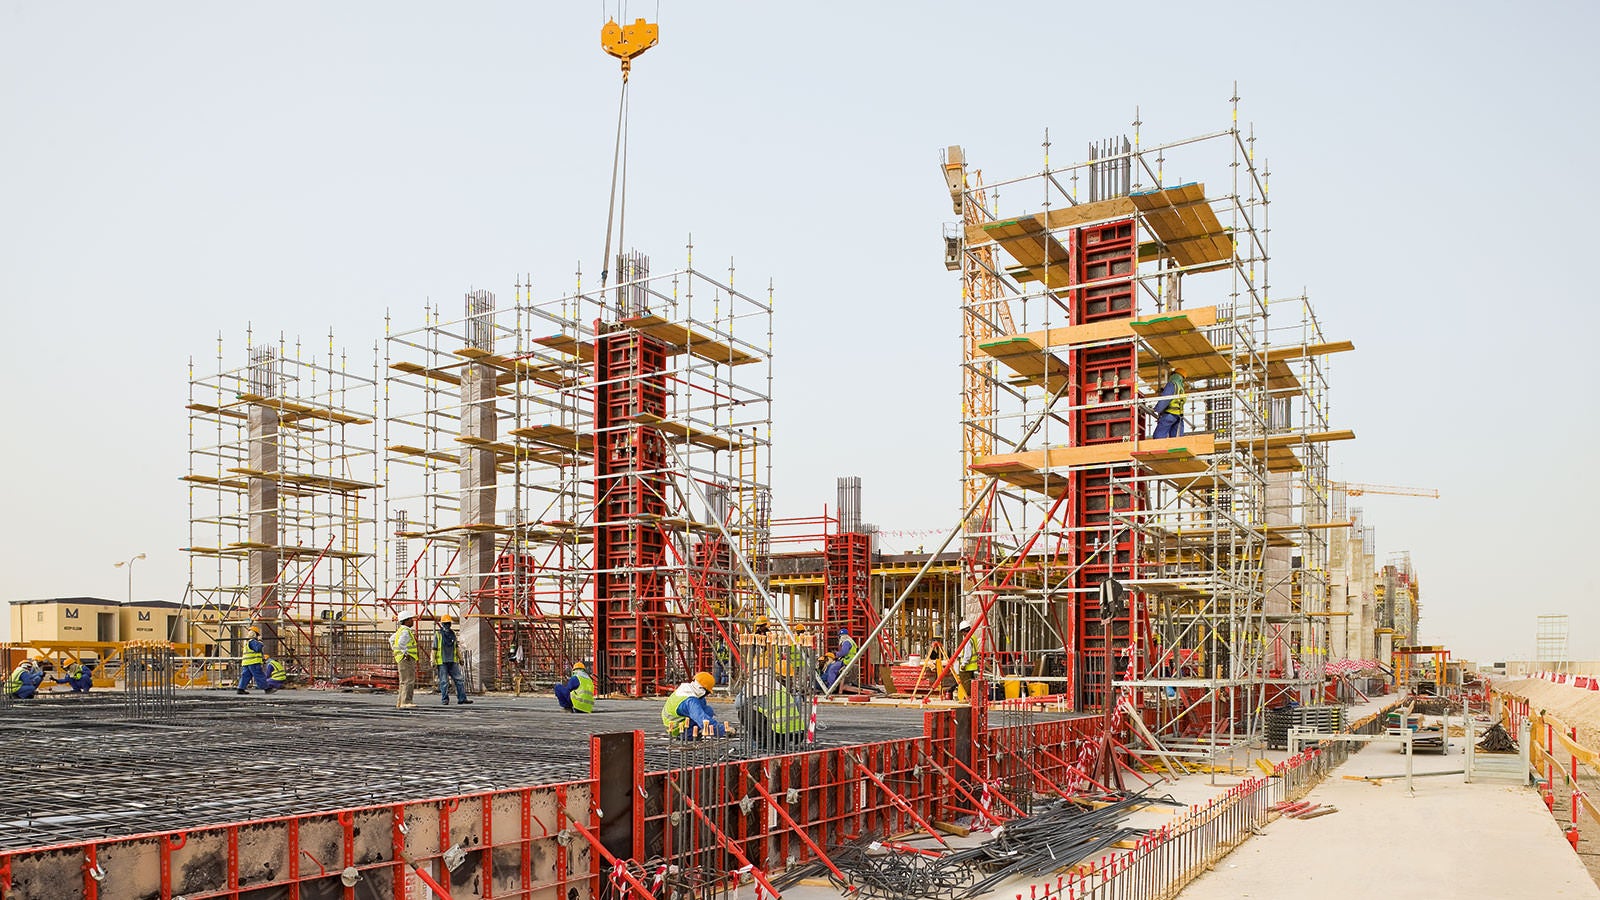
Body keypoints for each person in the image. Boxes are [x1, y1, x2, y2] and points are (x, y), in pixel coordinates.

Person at [662, 671, 733, 739]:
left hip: (676, 722)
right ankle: (686, 735)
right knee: (706, 715)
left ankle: (690, 732)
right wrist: (724, 730)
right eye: (707, 693)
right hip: (676, 728)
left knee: (708, 710)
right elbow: (703, 720)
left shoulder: (687, 689)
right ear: (702, 689)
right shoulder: (691, 701)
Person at [433, 615, 472, 706]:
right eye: (446, 623)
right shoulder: (438, 635)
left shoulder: (452, 634)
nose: (447, 625)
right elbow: (434, 649)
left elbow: (456, 647)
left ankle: (462, 698)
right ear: (442, 624)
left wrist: (460, 658)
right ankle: (445, 699)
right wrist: (433, 660)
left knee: (459, 680)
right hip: (442, 662)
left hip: (452, 661)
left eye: (448, 623)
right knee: (444, 681)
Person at [391, 614, 419, 709]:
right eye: (411, 619)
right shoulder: (406, 631)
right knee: (409, 680)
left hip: (401, 658)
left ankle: (400, 702)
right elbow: (400, 643)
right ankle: (406, 702)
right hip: (406, 658)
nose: (412, 621)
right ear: (406, 620)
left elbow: (391, 640)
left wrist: (396, 651)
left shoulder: (400, 630)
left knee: (403, 681)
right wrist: (405, 652)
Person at [1152, 369, 1187, 439]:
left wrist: (1156, 409)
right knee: (1176, 440)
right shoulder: (1181, 388)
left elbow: (1165, 399)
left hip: (1169, 415)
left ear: (1174, 375)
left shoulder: (1172, 384)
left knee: (1159, 436)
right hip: (1179, 417)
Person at [237, 625, 271, 695]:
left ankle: (240, 689)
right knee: (259, 675)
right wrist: (260, 641)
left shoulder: (246, 642)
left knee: (245, 676)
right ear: (255, 634)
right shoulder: (253, 641)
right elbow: (258, 649)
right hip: (253, 662)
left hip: (246, 662)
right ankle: (267, 688)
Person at [955, 620, 979, 701]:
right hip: (972, 666)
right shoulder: (973, 637)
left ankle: (966, 698)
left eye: (962, 632)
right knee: (970, 683)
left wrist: (963, 664)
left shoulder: (968, 639)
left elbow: (968, 653)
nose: (962, 634)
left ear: (964, 631)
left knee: (965, 684)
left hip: (967, 666)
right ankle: (970, 698)